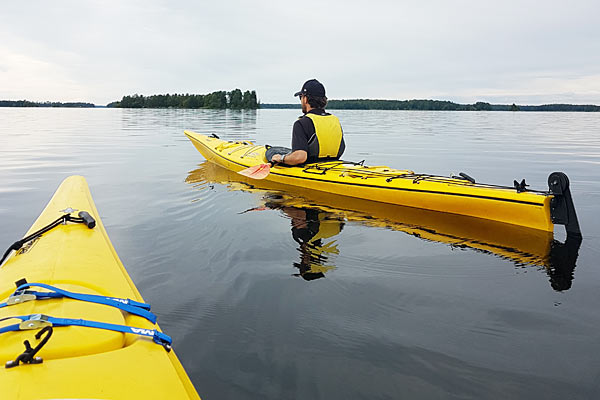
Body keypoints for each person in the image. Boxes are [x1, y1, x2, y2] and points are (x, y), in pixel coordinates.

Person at [270, 79, 345, 166]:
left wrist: (281, 158)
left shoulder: (302, 123)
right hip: (334, 167)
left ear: (305, 99)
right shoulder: (335, 121)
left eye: (300, 97)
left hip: (311, 170)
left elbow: (300, 157)